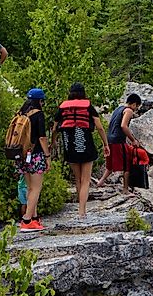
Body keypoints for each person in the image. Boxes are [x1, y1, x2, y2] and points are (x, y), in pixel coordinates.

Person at [51, 83, 110, 218]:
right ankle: (82, 211)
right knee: (86, 179)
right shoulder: (88, 106)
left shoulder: (62, 107)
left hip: (69, 144)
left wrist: (53, 142)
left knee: (78, 179)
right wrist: (105, 144)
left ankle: (80, 207)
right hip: (85, 143)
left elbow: (54, 129)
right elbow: (99, 127)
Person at [16, 88, 51, 232]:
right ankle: (27, 220)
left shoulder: (21, 113)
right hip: (35, 156)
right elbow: (42, 137)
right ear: (40, 101)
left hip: (22, 155)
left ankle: (34, 218)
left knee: (30, 188)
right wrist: (47, 156)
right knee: (36, 188)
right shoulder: (39, 115)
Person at [95, 93, 142, 193]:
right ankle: (125, 189)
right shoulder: (129, 110)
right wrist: (133, 140)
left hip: (109, 139)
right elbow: (123, 126)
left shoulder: (118, 108)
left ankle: (100, 182)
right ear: (133, 104)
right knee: (127, 165)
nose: (136, 109)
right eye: (137, 106)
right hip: (118, 140)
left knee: (110, 165)